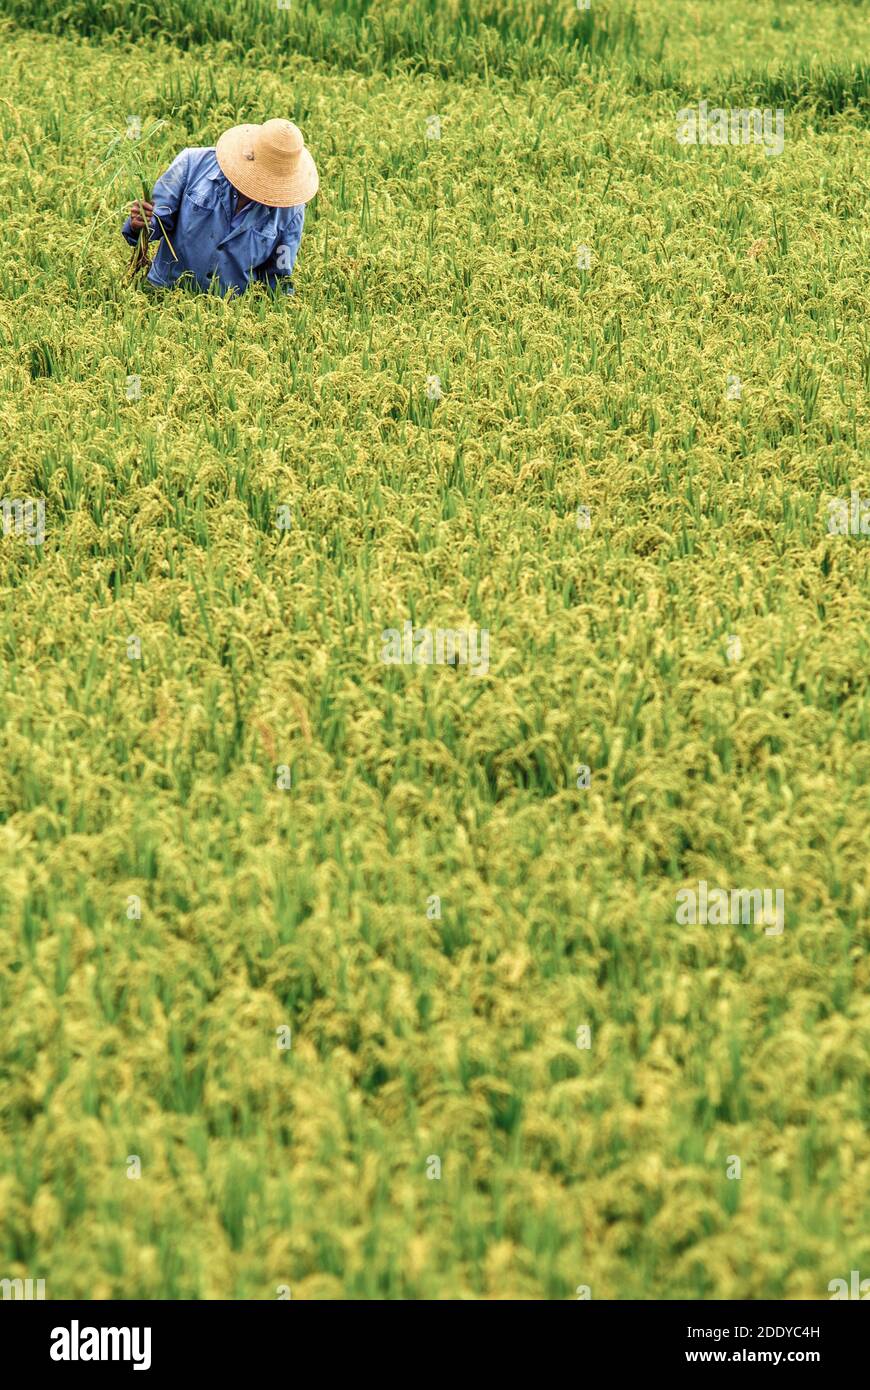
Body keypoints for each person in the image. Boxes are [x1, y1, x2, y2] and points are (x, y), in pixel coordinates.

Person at [122, 119, 318, 295]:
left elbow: (279, 274)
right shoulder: (192, 164)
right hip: (165, 294)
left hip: (228, 312)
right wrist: (140, 224)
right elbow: (157, 220)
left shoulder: (290, 211)